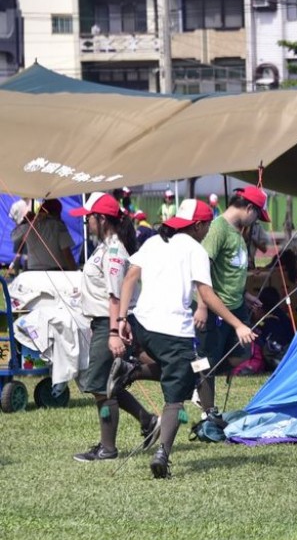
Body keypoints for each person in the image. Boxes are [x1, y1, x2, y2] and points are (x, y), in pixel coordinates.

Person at [117, 199, 255, 478]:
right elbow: (206, 294)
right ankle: (162, 455)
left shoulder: (154, 242)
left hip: (142, 324)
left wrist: (121, 320)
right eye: (207, 226)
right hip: (173, 331)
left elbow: (130, 277)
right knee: (175, 399)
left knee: (194, 370)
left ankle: (134, 369)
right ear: (200, 225)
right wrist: (238, 324)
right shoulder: (195, 249)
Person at [69, 193, 159, 462]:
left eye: (89, 218)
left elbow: (116, 296)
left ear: (102, 219)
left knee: (99, 386)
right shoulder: (105, 246)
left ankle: (108, 449)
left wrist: (112, 332)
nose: (87, 223)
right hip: (103, 321)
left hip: (108, 324)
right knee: (108, 383)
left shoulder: (114, 251)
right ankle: (147, 419)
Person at [193, 186, 269, 422]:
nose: (257, 221)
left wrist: (246, 295)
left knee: (243, 353)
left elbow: (230, 272)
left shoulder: (238, 232)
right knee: (206, 360)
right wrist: (202, 306)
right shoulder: (218, 228)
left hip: (237, 304)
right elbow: (201, 269)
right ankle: (208, 411)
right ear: (248, 208)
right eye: (257, 215)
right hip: (216, 306)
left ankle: (200, 381)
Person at [10, 198, 76, 271]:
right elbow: (67, 254)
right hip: (56, 271)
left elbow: (14, 237)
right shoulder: (58, 226)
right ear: (55, 212)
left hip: (33, 270)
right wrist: (74, 271)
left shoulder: (30, 225)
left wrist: (25, 221)